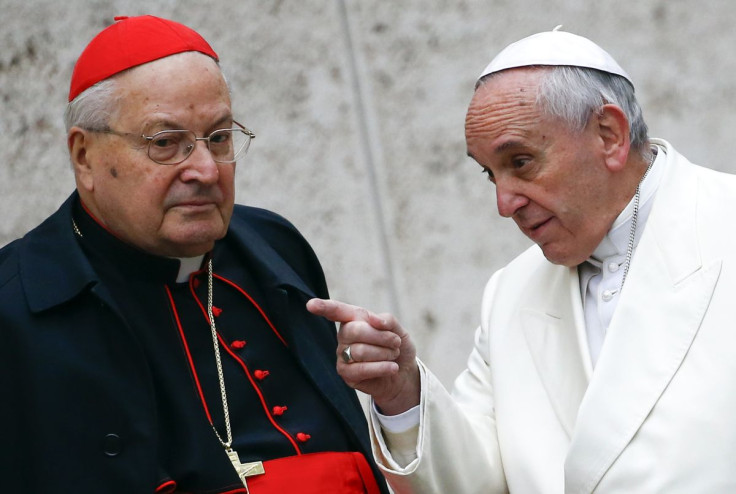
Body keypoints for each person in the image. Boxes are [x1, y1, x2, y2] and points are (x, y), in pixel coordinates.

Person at [307, 27, 736, 493]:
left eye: (521, 161)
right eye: (489, 174)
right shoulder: (510, 292)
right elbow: (475, 482)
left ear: (609, 135)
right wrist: (402, 393)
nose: (504, 203)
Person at [0, 15, 388, 494]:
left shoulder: (274, 241)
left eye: (220, 137)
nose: (205, 169)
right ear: (85, 157)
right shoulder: (15, 307)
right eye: (166, 143)